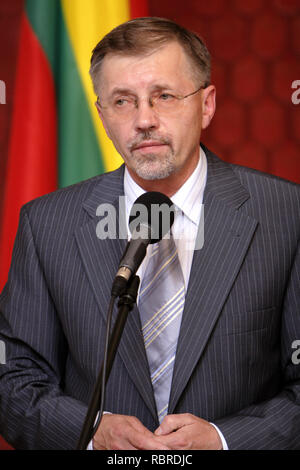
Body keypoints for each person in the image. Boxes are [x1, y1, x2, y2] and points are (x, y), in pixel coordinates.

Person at [0, 17, 299, 451]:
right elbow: (13, 377)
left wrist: (224, 439)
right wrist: (90, 431)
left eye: (164, 96)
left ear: (207, 104)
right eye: (122, 101)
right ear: (101, 115)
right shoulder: (47, 225)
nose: (144, 120)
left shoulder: (285, 216)